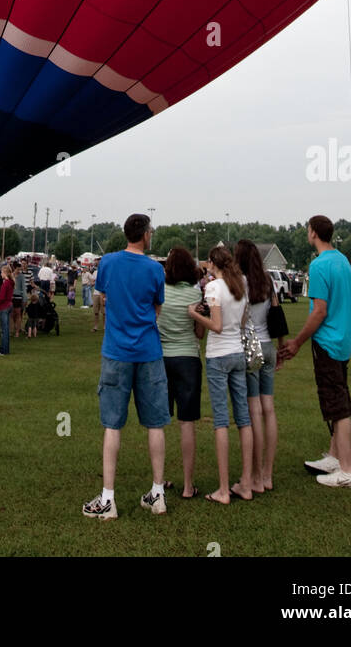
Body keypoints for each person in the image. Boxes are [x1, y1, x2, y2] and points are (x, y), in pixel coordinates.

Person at [82, 214, 169, 520]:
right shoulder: (155, 269)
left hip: (117, 351)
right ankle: (158, 492)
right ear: (145, 234)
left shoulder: (108, 262)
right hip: (148, 351)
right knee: (155, 423)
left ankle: (108, 498)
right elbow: (157, 307)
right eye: (151, 232)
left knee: (112, 424)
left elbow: (105, 297)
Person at [281, 215, 351, 489]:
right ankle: (335, 456)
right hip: (344, 341)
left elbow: (320, 311)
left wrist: (298, 341)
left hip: (328, 342)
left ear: (313, 233)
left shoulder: (319, 265)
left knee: (337, 406)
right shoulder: (342, 260)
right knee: (340, 395)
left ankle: (347, 471)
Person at [189, 245, 253, 505]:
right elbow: (240, 323)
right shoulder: (241, 285)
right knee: (244, 418)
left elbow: (215, 326)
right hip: (237, 353)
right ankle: (246, 483)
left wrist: (194, 314)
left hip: (218, 356)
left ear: (213, 264)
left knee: (221, 421)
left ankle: (224, 489)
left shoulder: (214, 287)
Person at [235, 238, 285, 493]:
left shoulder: (241, 283)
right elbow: (277, 314)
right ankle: (268, 474)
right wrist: (281, 345)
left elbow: (242, 320)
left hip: (251, 347)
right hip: (268, 346)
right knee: (269, 409)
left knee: (254, 411)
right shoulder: (268, 281)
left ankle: (254, 476)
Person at [157, 246, 203, 499]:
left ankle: (159, 479)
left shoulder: (161, 293)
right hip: (188, 358)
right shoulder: (195, 293)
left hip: (162, 359)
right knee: (187, 423)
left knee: (160, 422)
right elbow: (199, 332)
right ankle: (188, 485)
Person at [0, 265, 14, 356]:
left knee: (4, 330)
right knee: (6, 329)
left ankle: (3, 350)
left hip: (4, 306)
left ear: (5, 273)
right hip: (9, 305)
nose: (0, 274)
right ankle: (5, 349)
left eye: (1, 272)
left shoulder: (5, 283)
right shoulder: (11, 282)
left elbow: (2, 296)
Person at [11, 261, 28, 338]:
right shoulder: (11, 276)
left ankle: (17, 332)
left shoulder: (21, 276)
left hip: (18, 297)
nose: (19, 271)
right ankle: (14, 329)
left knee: (18, 314)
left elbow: (24, 289)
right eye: (18, 269)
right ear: (14, 268)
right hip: (11, 297)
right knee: (12, 315)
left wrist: (25, 299)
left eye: (20, 269)